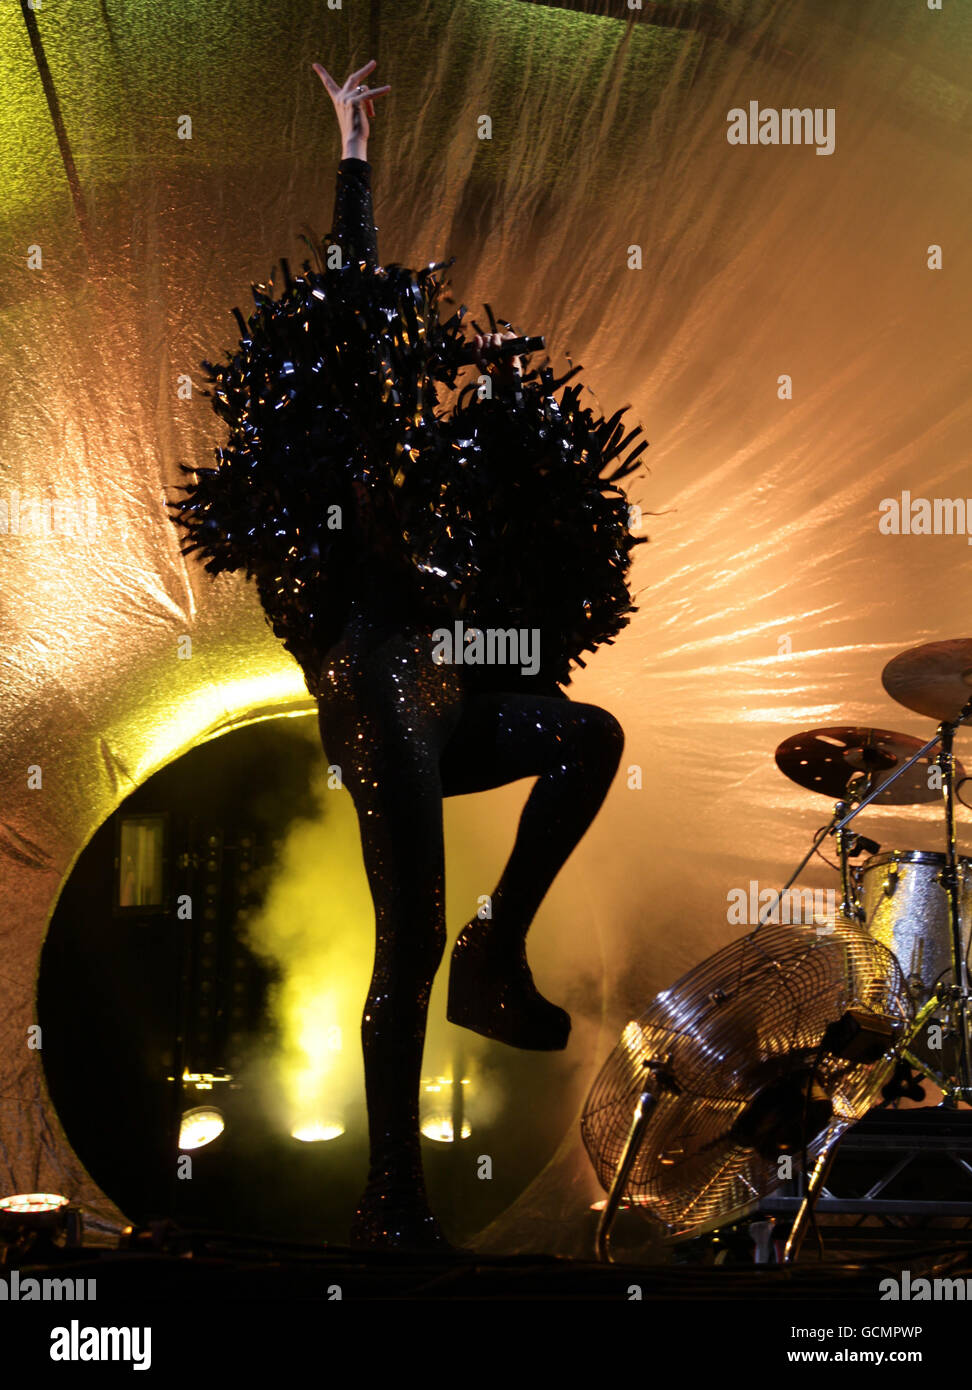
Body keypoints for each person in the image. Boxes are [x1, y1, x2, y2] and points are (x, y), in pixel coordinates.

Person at [170, 58, 646, 1250]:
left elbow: (508, 544)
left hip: (446, 677)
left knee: (589, 735)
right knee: (404, 943)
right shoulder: (323, 511)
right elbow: (343, 308)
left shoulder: (431, 488)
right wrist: (351, 161)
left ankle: (500, 951)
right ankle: (393, 1193)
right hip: (378, 695)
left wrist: (512, 385)